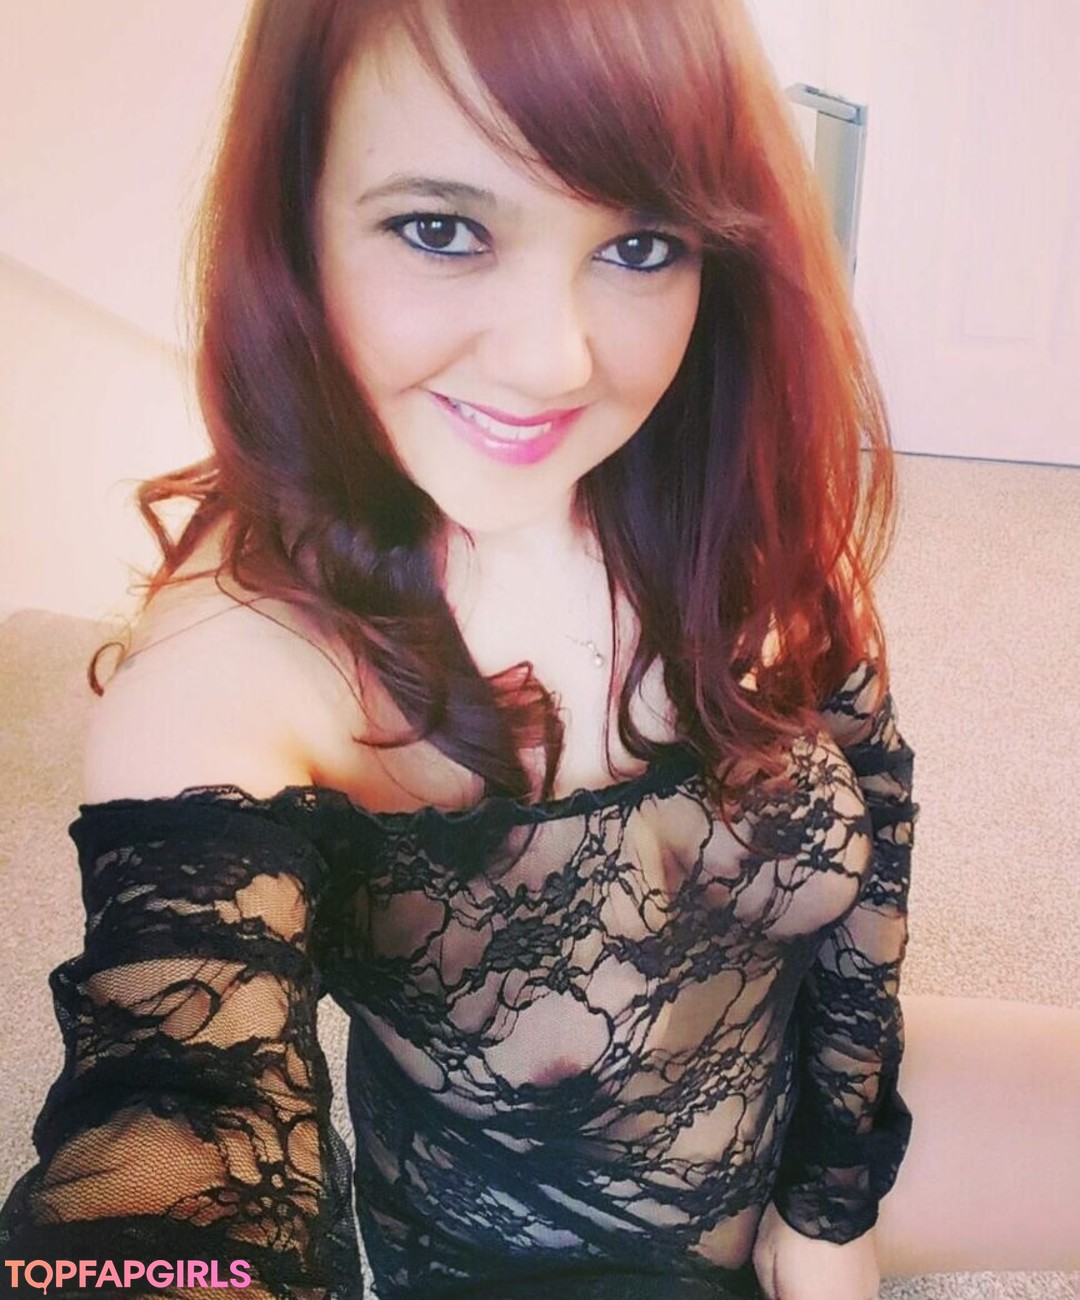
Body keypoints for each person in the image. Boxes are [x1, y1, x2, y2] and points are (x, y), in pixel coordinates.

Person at [2, 2, 1077, 1298]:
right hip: (536, 1254)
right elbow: (170, 1129)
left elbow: (877, 815)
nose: (554, 361)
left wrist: (834, 1198)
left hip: (800, 1104)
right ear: (297, 221)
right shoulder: (232, 674)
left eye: (639, 245)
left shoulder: (725, 493)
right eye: (441, 229)